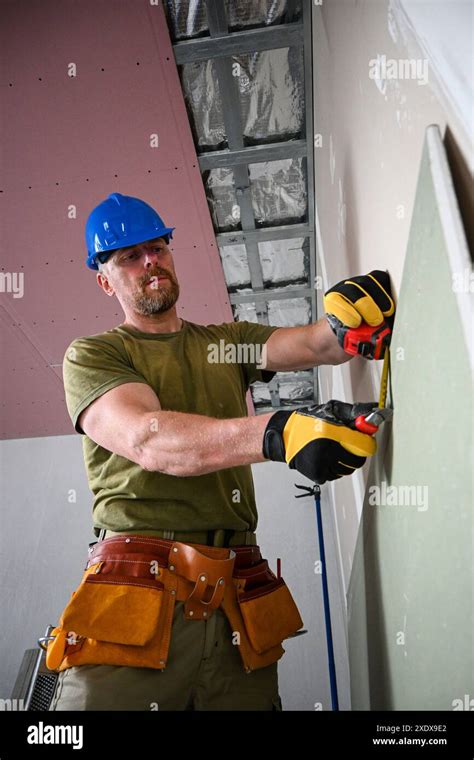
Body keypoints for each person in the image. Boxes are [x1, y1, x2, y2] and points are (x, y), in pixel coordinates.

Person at [48, 192, 395, 711]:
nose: (150, 262)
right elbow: (149, 438)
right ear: (104, 279)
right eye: (128, 256)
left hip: (238, 595)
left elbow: (316, 344)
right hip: (138, 594)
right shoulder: (96, 353)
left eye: (158, 248)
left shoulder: (225, 343)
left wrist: (350, 322)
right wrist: (278, 433)